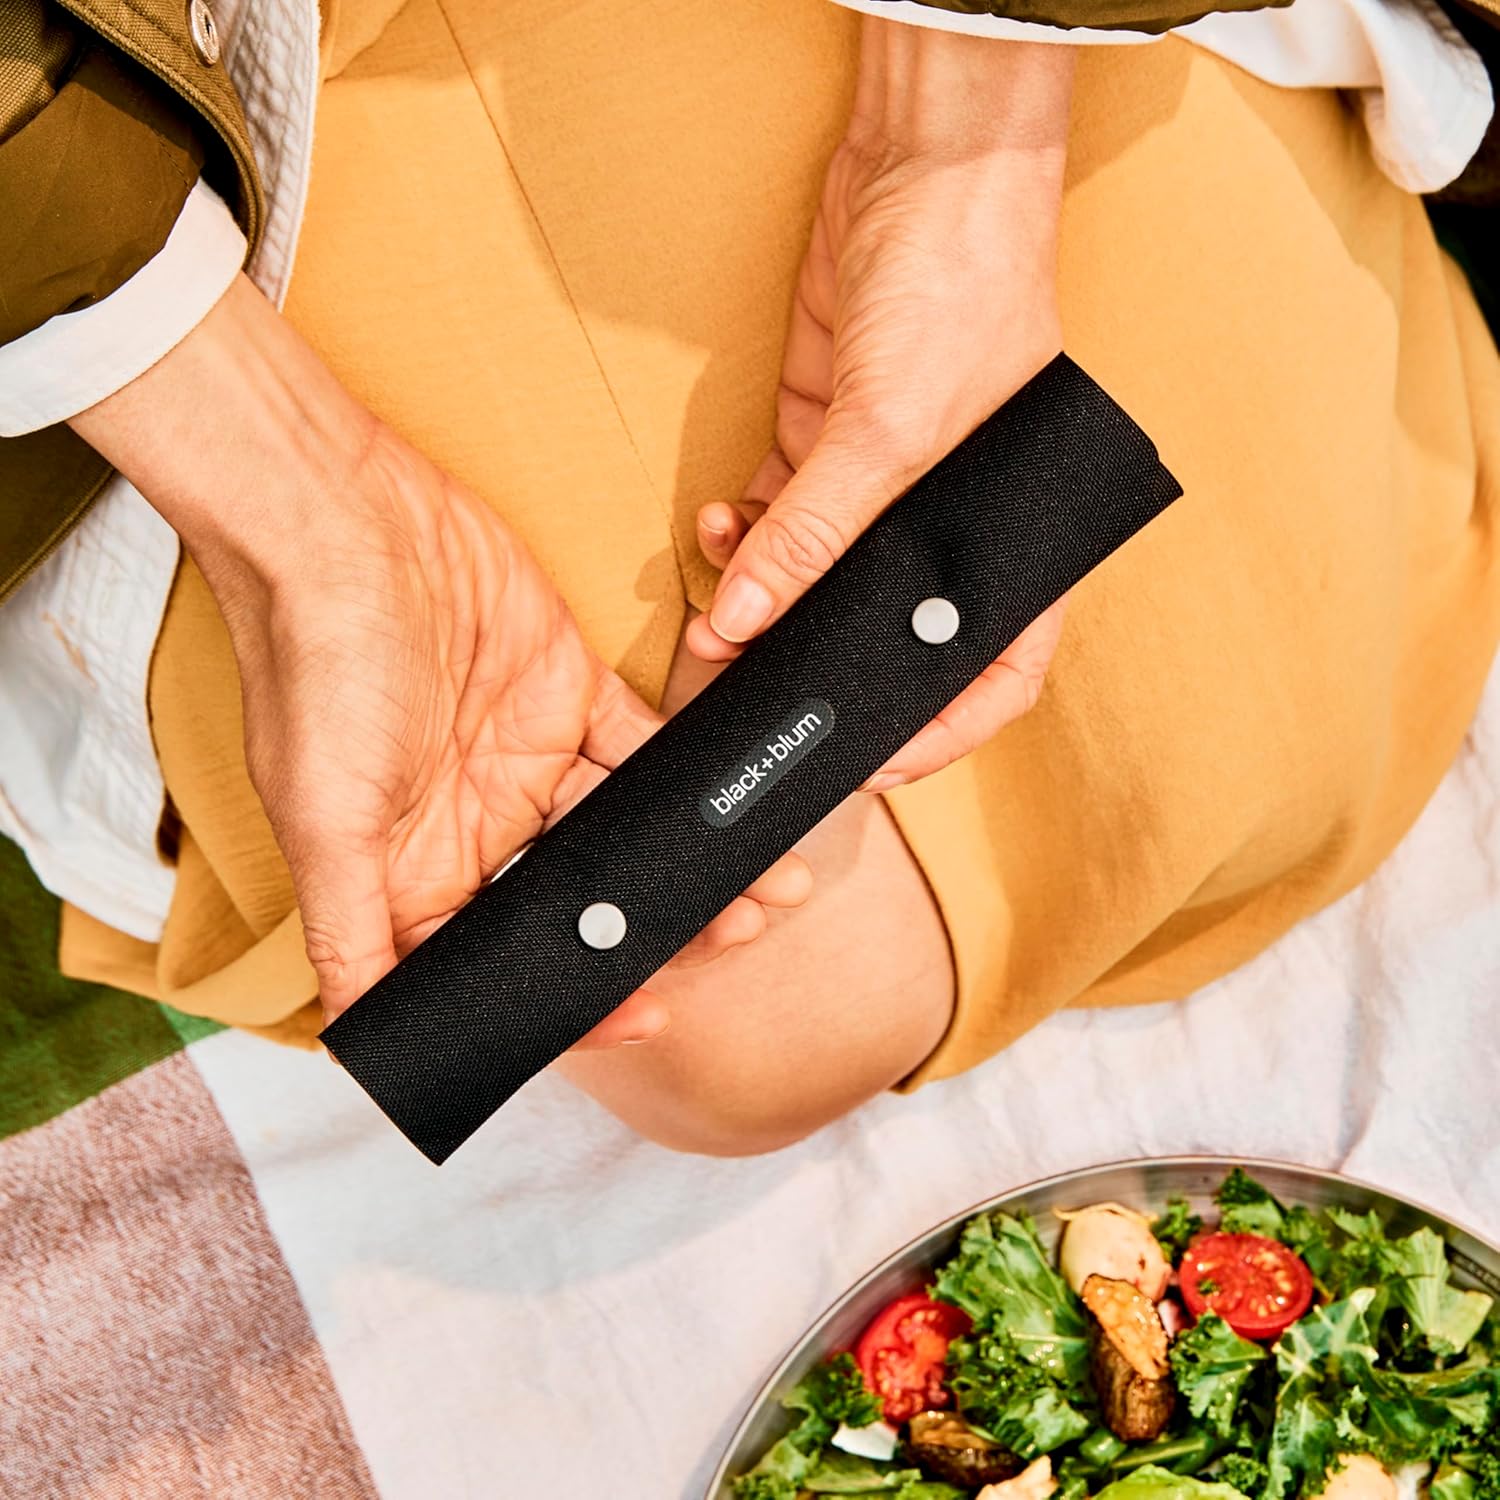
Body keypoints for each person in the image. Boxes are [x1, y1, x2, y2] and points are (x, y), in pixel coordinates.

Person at [1, 0, 1498, 1154]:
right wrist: (296, 499)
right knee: (750, 1019)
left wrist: (964, 139)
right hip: (162, 93)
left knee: (1277, 663)